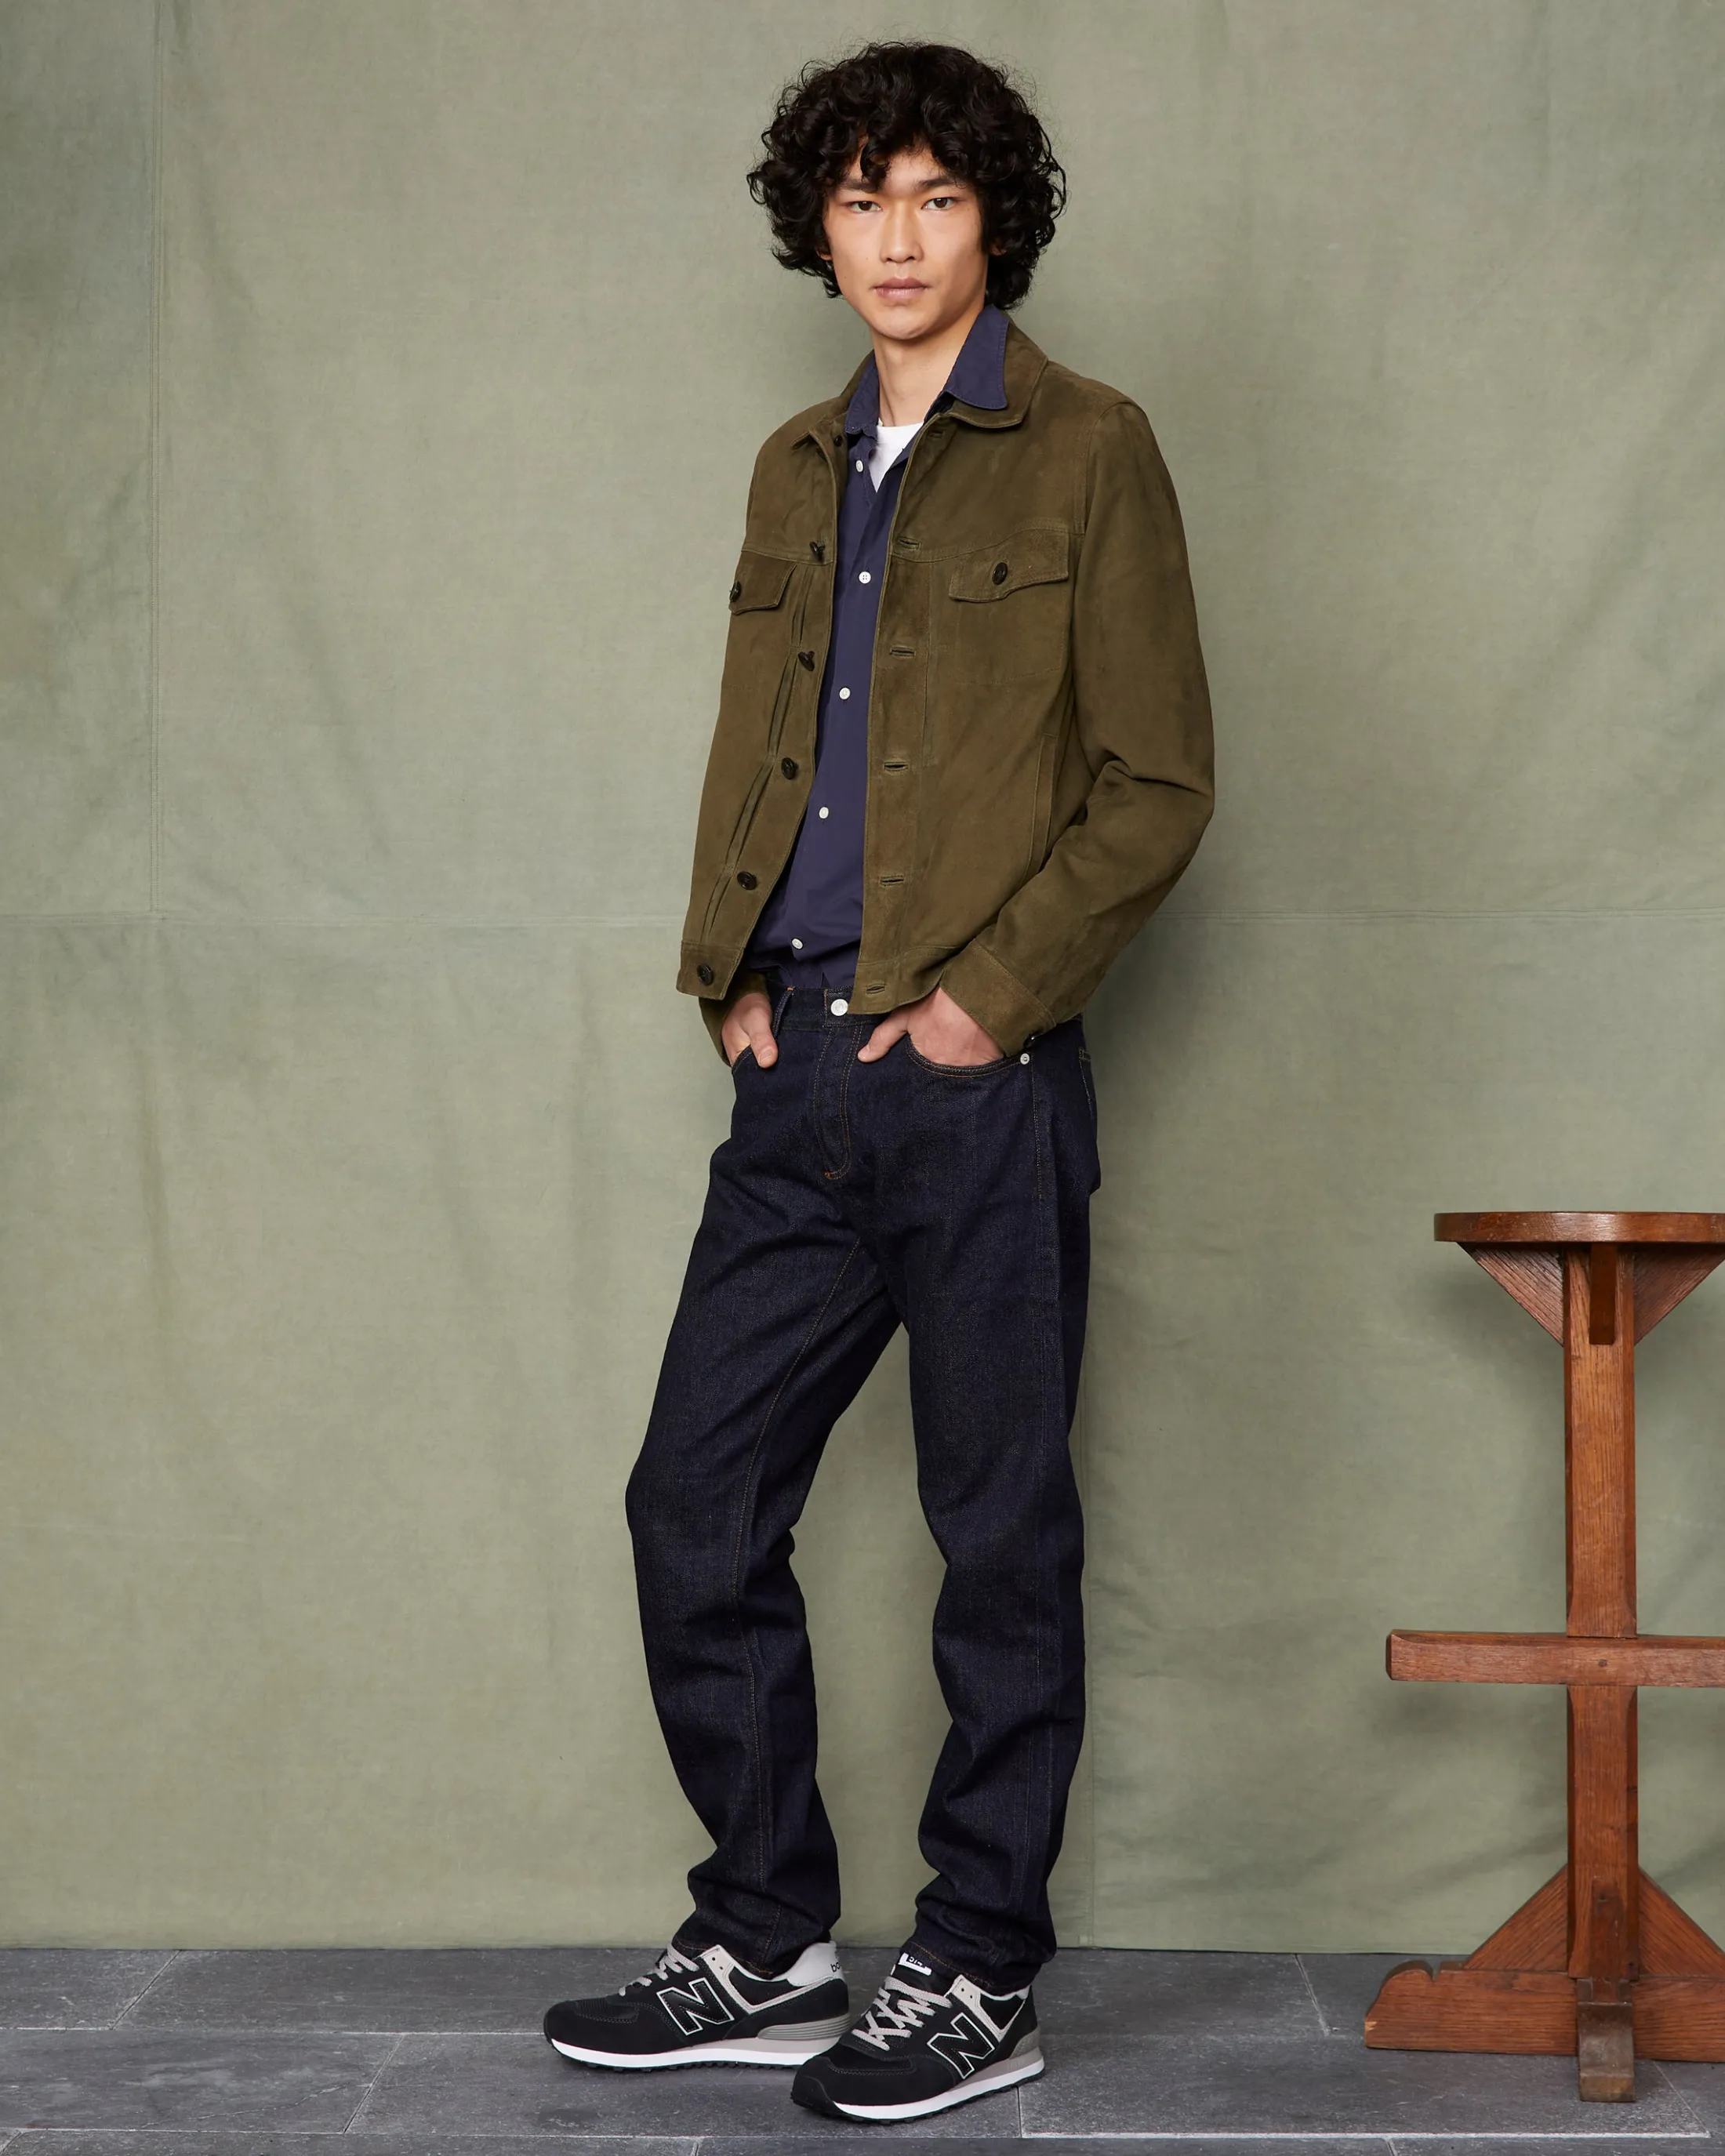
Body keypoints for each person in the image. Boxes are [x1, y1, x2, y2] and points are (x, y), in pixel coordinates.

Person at [544, 38, 1213, 2124]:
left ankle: (979, 1970)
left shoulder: (1091, 448)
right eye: (859, 200)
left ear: (995, 216)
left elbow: (1157, 783)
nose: (897, 238)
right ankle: (766, 1936)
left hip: (978, 1083)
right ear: (816, 231)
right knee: (692, 1501)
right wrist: (725, 973)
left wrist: (989, 1002)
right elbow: (766, 743)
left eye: (933, 195)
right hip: (797, 1083)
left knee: (996, 1536)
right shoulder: (794, 463)